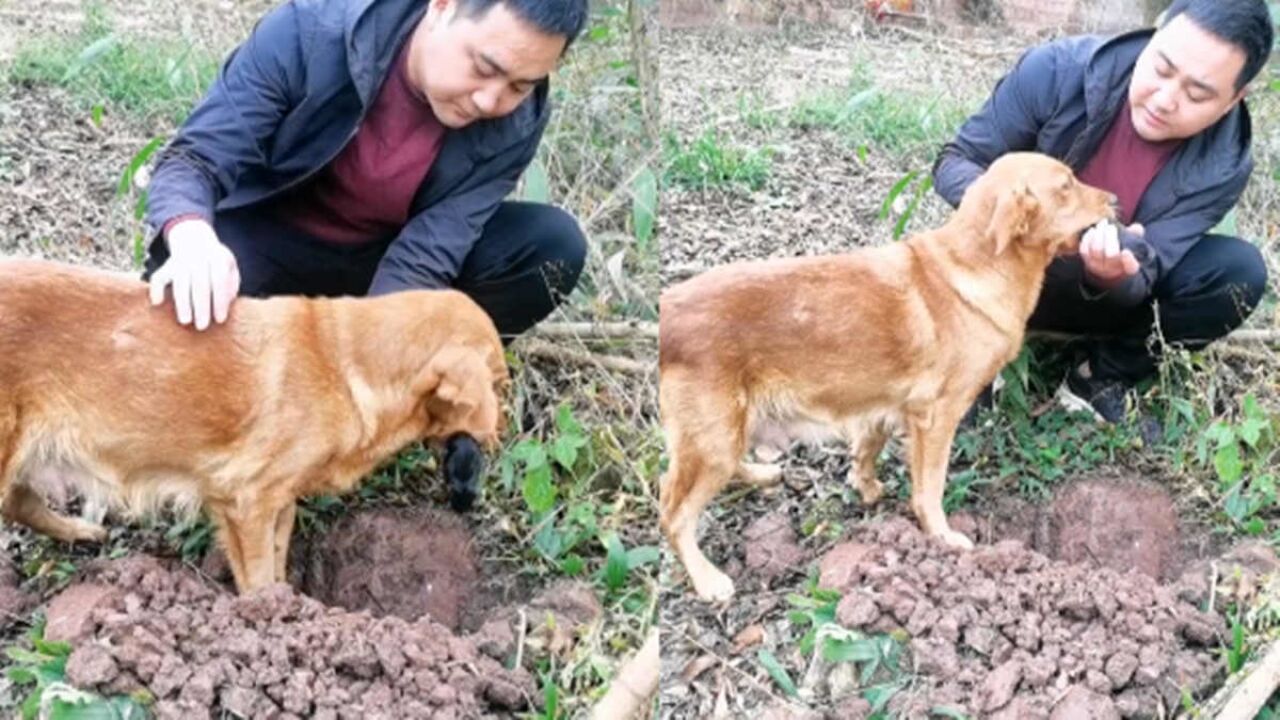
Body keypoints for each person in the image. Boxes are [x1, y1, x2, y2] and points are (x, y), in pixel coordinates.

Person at [143, 0, 590, 341]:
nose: (490, 102)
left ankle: (430, 385)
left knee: (551, 244)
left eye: (519, 85)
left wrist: (369, 348)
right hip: (266, 240)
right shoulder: (314, 30)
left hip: (378, 262)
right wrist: (192, 238)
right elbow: (196, 157)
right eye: (484, 67)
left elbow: (429, 252)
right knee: (185, 309)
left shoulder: (518, 120)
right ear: (442, 8)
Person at [934, 0, 1273, 438]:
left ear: (1233, 100)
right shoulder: (1058, 70)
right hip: (1007, 265)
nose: (1165, 100)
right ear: (1154, 34)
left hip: (1101, 295)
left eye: (1197, 94)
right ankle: (973, 361)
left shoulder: (1223, 164)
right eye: (1162, 68)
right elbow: (957, 160)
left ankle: (1098, 379)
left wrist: (1112, 277)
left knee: (1238, 273)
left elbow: (1151, 266)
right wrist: (1013, 209)